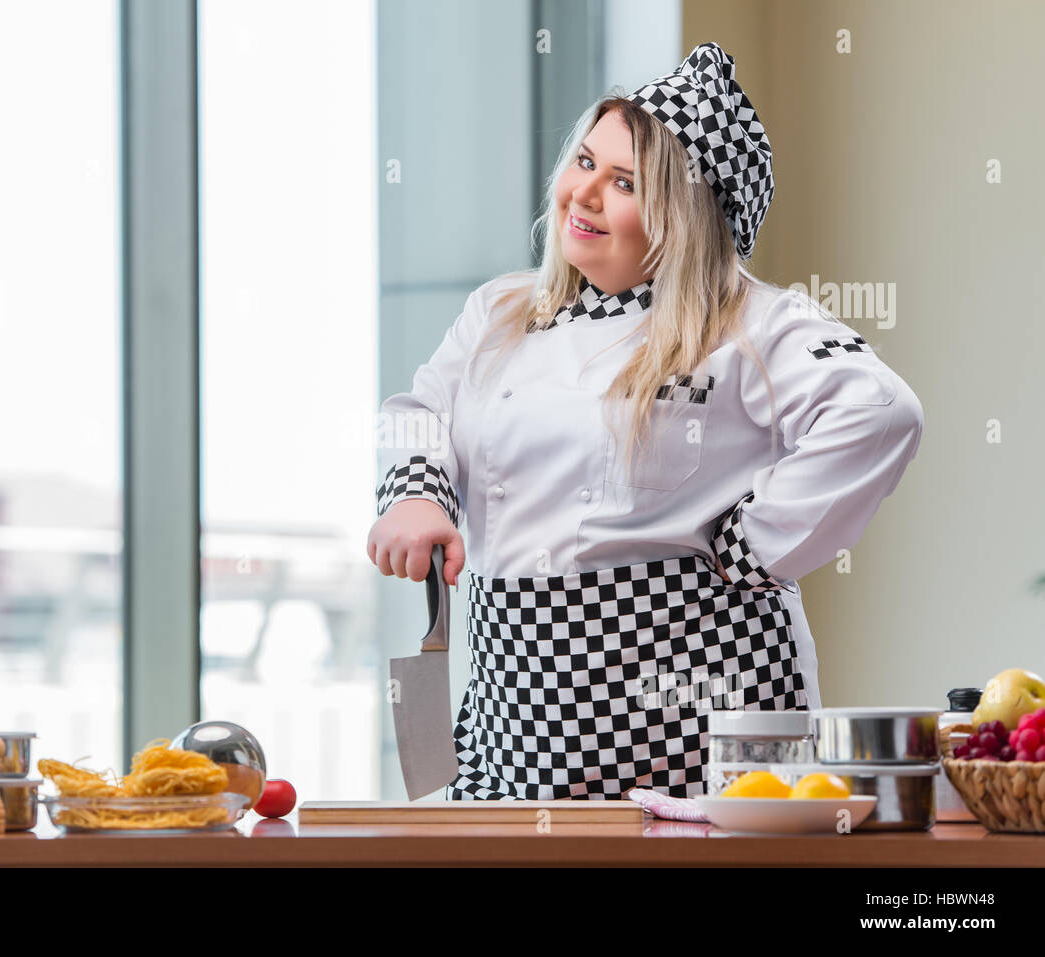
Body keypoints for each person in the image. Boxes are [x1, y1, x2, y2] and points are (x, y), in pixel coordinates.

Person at [366, 43, 923, 800]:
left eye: (623, 182)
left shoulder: (753, 322)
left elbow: (881, 412)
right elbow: (419, 413)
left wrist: (753, 545)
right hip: (513, 743)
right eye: (585, 162)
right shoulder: (500, 312)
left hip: (703, 758)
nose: (583, 193)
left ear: (687, 218)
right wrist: (416, 495)